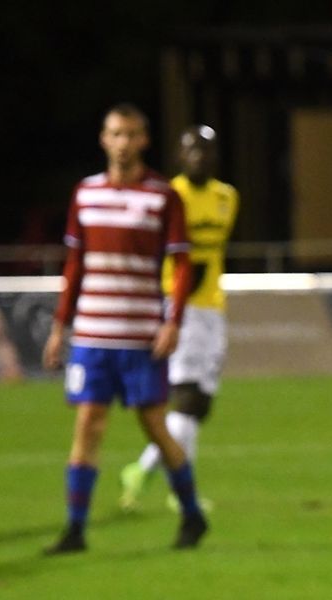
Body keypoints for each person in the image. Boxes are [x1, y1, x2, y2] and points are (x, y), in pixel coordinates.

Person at [42, 103, 208, 554]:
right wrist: (60, 326)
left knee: (154, 425)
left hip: (139, 335)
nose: (123, 142)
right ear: (103, 139)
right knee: (88, 424)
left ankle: (192, 514)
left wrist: (172, 321)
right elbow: (75, 264)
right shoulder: (86, 193)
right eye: (116, 133)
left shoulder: (162, 196)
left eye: (131, 134)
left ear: (144, 141)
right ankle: (75, 529)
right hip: (92, 334)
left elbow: (181, 263)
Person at [120, 125, 239, 511]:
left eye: (206, 150)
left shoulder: (227, 197)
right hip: (179, 309)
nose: (199, 157)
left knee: (200, 403)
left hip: (213, 310)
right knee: (186, 399)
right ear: (179, 156)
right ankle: (178, 488)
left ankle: (142, 470)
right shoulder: (169, 197)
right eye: (191, 150)